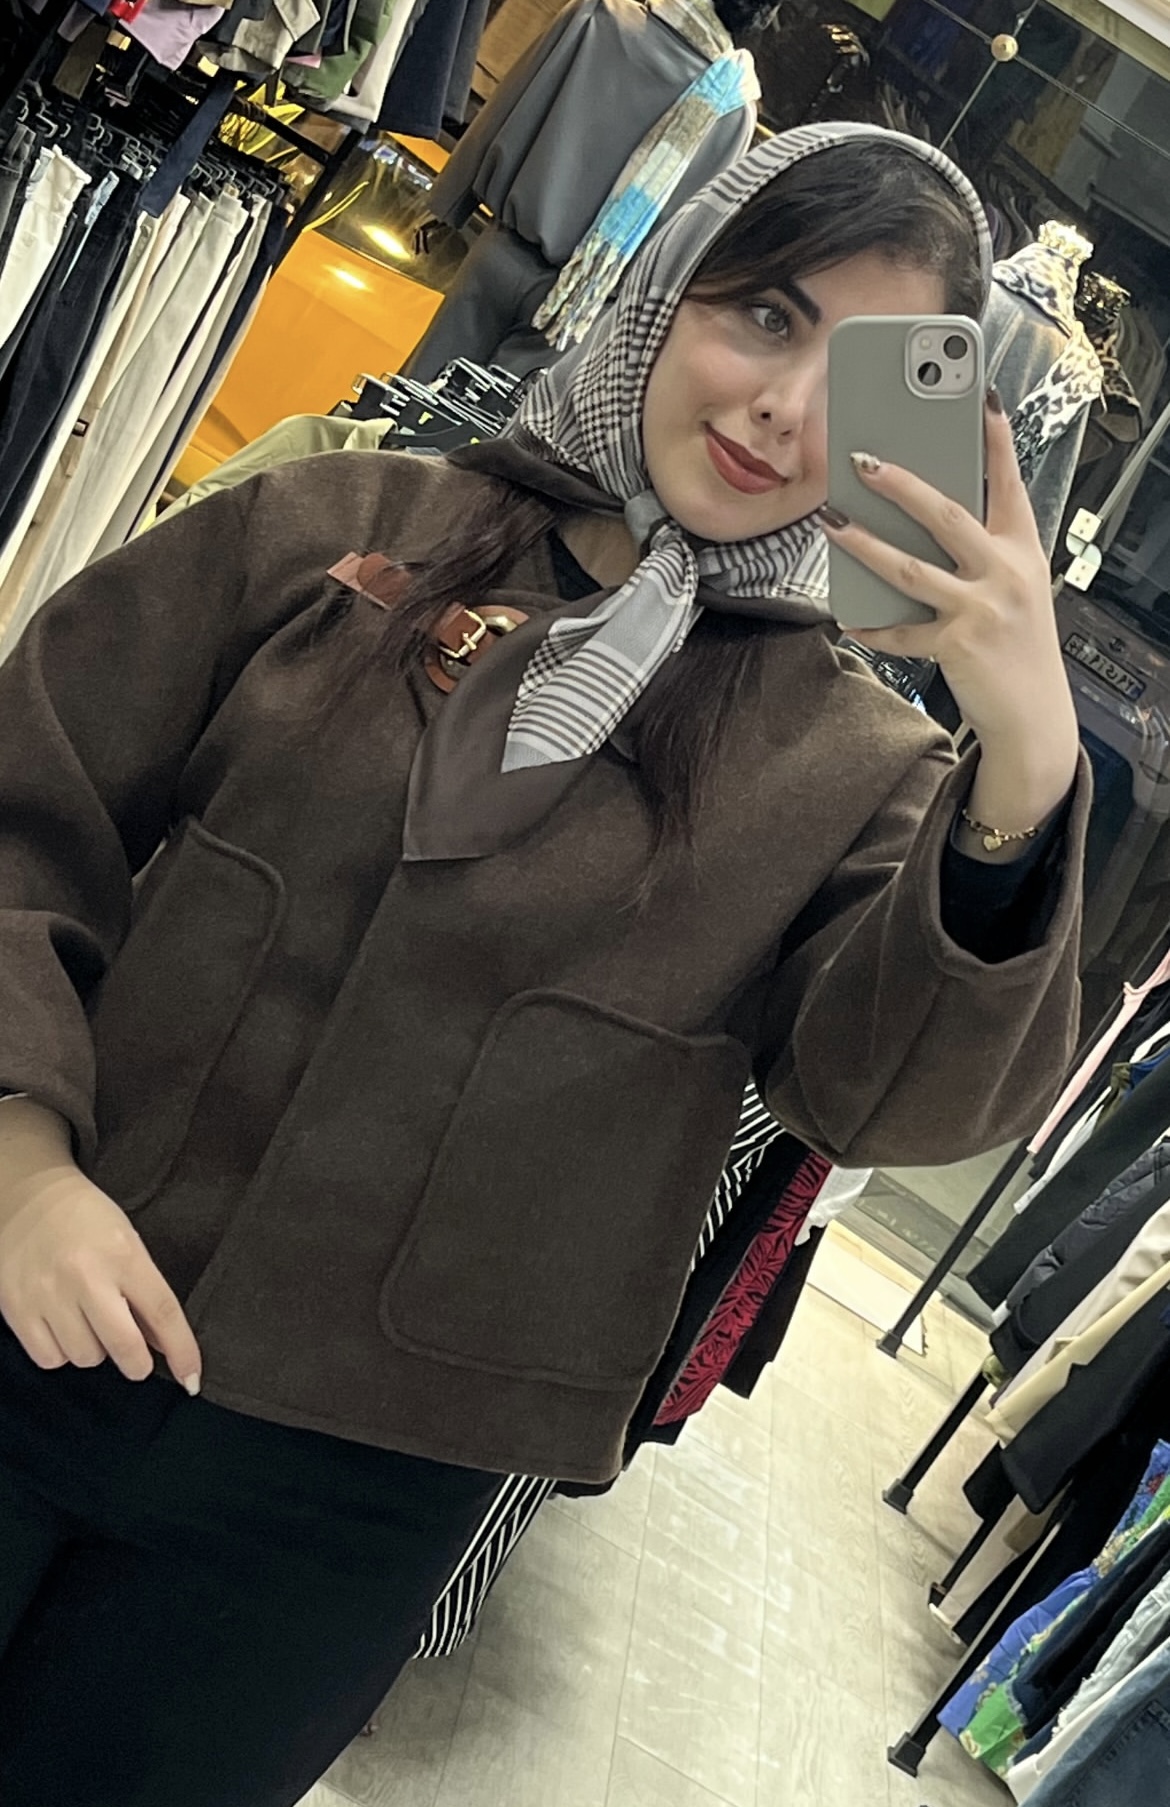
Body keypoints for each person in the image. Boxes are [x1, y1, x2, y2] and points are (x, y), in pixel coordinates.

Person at [0, 122, 1086, 1807]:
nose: (784, 410)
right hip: (35, 1301)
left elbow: (886, 1097)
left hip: (348, 1490)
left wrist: (1021, 765)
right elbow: (26, 807)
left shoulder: (858, 769)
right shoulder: (341, 518)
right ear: (666, 290)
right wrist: (22, 1161)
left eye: (866, 376)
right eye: (765, 314)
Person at [401, 0, 768, 380]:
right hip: (578, 312)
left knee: (404, 396)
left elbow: (509, 104)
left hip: (503, 252)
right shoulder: (734, 110)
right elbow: (684, 246)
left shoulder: (600, 14)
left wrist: (450, 202)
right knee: (492, 417)